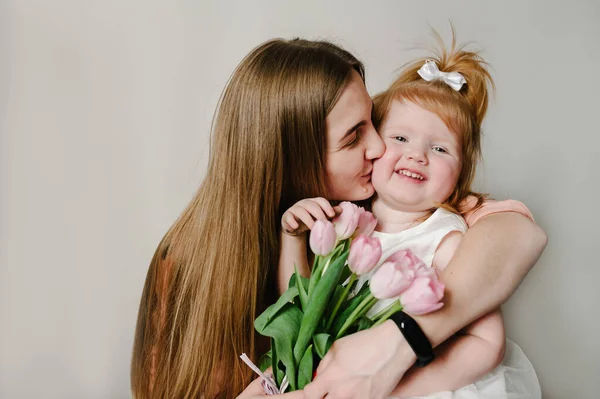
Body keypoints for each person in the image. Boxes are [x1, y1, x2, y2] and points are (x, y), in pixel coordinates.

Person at [130, 37, 547, 399]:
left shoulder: (416, 208)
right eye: (355, 136)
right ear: (292, 158)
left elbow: (520, 236)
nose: (380, 148)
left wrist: (398, 346)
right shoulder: (185, 261)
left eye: (373, 123)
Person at [281, 35, 540, 398]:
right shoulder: (344, 220)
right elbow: (299, 308)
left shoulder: (447, 240)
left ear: (459, 178)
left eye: (439, 148)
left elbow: (486, 343)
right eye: (400, 138)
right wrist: (292, 238)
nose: (418, 155)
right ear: (373, 145)